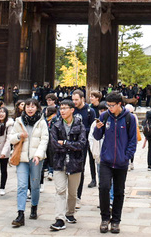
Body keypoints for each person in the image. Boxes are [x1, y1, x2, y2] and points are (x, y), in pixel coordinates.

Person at [93, 91, 138, 234]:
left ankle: (116, 221)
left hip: (121, 161)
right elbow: (97, 136)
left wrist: (127, 156)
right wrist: (97, 128)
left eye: (112, 105)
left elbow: (132, 140)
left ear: (120, 104)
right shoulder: (104, 116)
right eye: (108, 105)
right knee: (104, 188)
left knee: (119, 191)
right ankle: (105, 218)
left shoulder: (129, 118)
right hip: (106, 160)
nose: (109, 108)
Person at [9, 99, 49, 227]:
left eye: (33, 106)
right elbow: (11, 138)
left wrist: (38, 155)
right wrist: (20, 135)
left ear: (37, 108)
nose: (30, 109)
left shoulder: (42, 123)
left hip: (36, 158)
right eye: (28, 106)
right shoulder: (18, 122)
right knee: (21, 185)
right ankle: (20, 214)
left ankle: (34, 207)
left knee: (35, 184)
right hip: (22, 158)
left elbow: (44, 140)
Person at [49, 99, 87, 231]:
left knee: (72, 192)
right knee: (60, 190)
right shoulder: (56, 125)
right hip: (59, 162)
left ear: (72, 110)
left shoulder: (80, 125)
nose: (62, 111)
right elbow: (54, 145)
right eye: (61, 108)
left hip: (75, 163)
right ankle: (59, 218)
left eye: (65, 108)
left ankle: (70, 213)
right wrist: (70, 146)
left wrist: (64, 143)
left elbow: (82, 144)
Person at [72, 89, 96, 196]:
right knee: (76, 168)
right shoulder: (72, 110)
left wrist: (80, 129)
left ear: (82, 99)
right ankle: (73, 194)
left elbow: (92, 128)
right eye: (73, 100)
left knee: (83, 167)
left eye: (76, 100)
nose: (74, 102)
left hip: (85, 142)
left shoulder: (90, 111)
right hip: (73, 142)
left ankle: (78, 195)